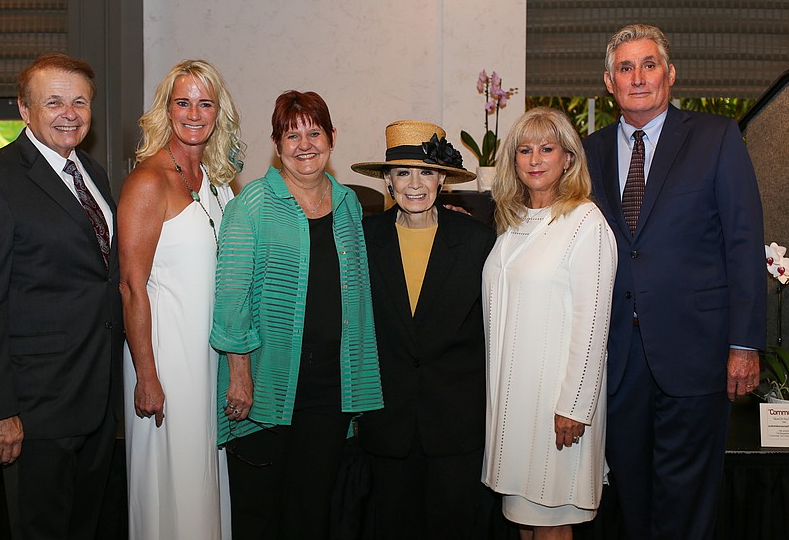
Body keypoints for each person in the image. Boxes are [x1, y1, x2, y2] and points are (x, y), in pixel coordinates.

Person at [583, 24, 765, 539]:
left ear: (671, 75)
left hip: (697, 352)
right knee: (630, 499)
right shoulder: (586, 151)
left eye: (649, 65)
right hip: (616, 357)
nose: (637, 77)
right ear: (608, 82)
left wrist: (745, 343)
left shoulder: (716, 137)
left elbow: (744, 242)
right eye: (625, 67)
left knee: (687, 502)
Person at [0, 53, 122, 540]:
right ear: (24, 110)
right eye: (54, 101)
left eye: (80, 101)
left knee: (83, 527)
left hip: (95, 396)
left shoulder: (92, 172)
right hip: (33, 406)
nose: (69, 112)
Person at [210, 90, 383, 539]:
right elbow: (231, 303)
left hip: (329, 391)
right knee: (260, 515)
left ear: (331, 138)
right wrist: (240, 375)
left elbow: (361, 295)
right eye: (292, 135)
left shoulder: (349, 204)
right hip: (264, 388)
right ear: (276, 143)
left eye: (314, 132)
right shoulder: (251, 206)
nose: (305, 144)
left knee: (311, 515)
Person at [350, 120, 496, 539]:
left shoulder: (478, 242)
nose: (415, 184)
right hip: (387, 426)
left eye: (426, 172)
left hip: (456, 427)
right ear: (387, 181)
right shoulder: (363, 240)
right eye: (402, 173)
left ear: (442, 179)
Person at [118, 59, 242, 540]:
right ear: (166, 110)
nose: (194, 113)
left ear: (218, 112)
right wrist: (147, 375)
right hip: (165, 359)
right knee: (171, 487)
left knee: (202, 481)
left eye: (205, 103)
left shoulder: (217, 182)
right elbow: (131, 285)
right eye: (183, 101)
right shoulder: (148, 181)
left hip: (206, 358)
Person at [482, 107, 617, 539]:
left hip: (557, 410)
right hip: (513, 404)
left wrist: (574, 405)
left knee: (552, 526)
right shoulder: (512, 223)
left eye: (547, 148)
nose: (535, 159)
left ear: (568, 159)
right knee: (522, 520)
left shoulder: (586, 223)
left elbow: (593, 323)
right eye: (525, 149)